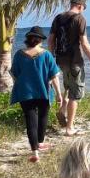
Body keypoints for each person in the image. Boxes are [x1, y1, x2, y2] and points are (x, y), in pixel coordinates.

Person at [47, 0, 90, 136]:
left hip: (60, 59)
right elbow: (84, 42)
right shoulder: (80, 19)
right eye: (83, 8)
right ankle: (69, 128)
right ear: (80, 6)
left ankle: (63, 110)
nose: (83, 10)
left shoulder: (58, 18)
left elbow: (51, 40)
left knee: (68, 86)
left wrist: (51, 57)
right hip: (75, 60)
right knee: (75, 94)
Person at [9, 26, 64, 163]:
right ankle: (40, 142)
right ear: (40, 40)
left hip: (25, 92)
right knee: (43, 116)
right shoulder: (46, 55)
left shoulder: (19, 54)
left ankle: (35, 152)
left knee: (30, 120)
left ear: (28, 40)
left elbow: (14, 74)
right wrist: (59, 94)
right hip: (43, 91)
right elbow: (54, 76)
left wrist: (22, 84)